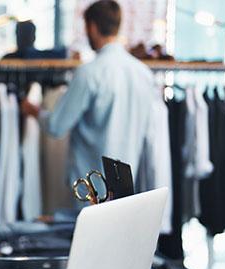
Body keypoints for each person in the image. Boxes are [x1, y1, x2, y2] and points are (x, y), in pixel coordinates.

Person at [22, 0, 155, 195]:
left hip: (92, 189)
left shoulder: (89, 73)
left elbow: (56, 126)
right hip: (128, 186)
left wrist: (32, 110)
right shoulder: (144, 74)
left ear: (92, 27)